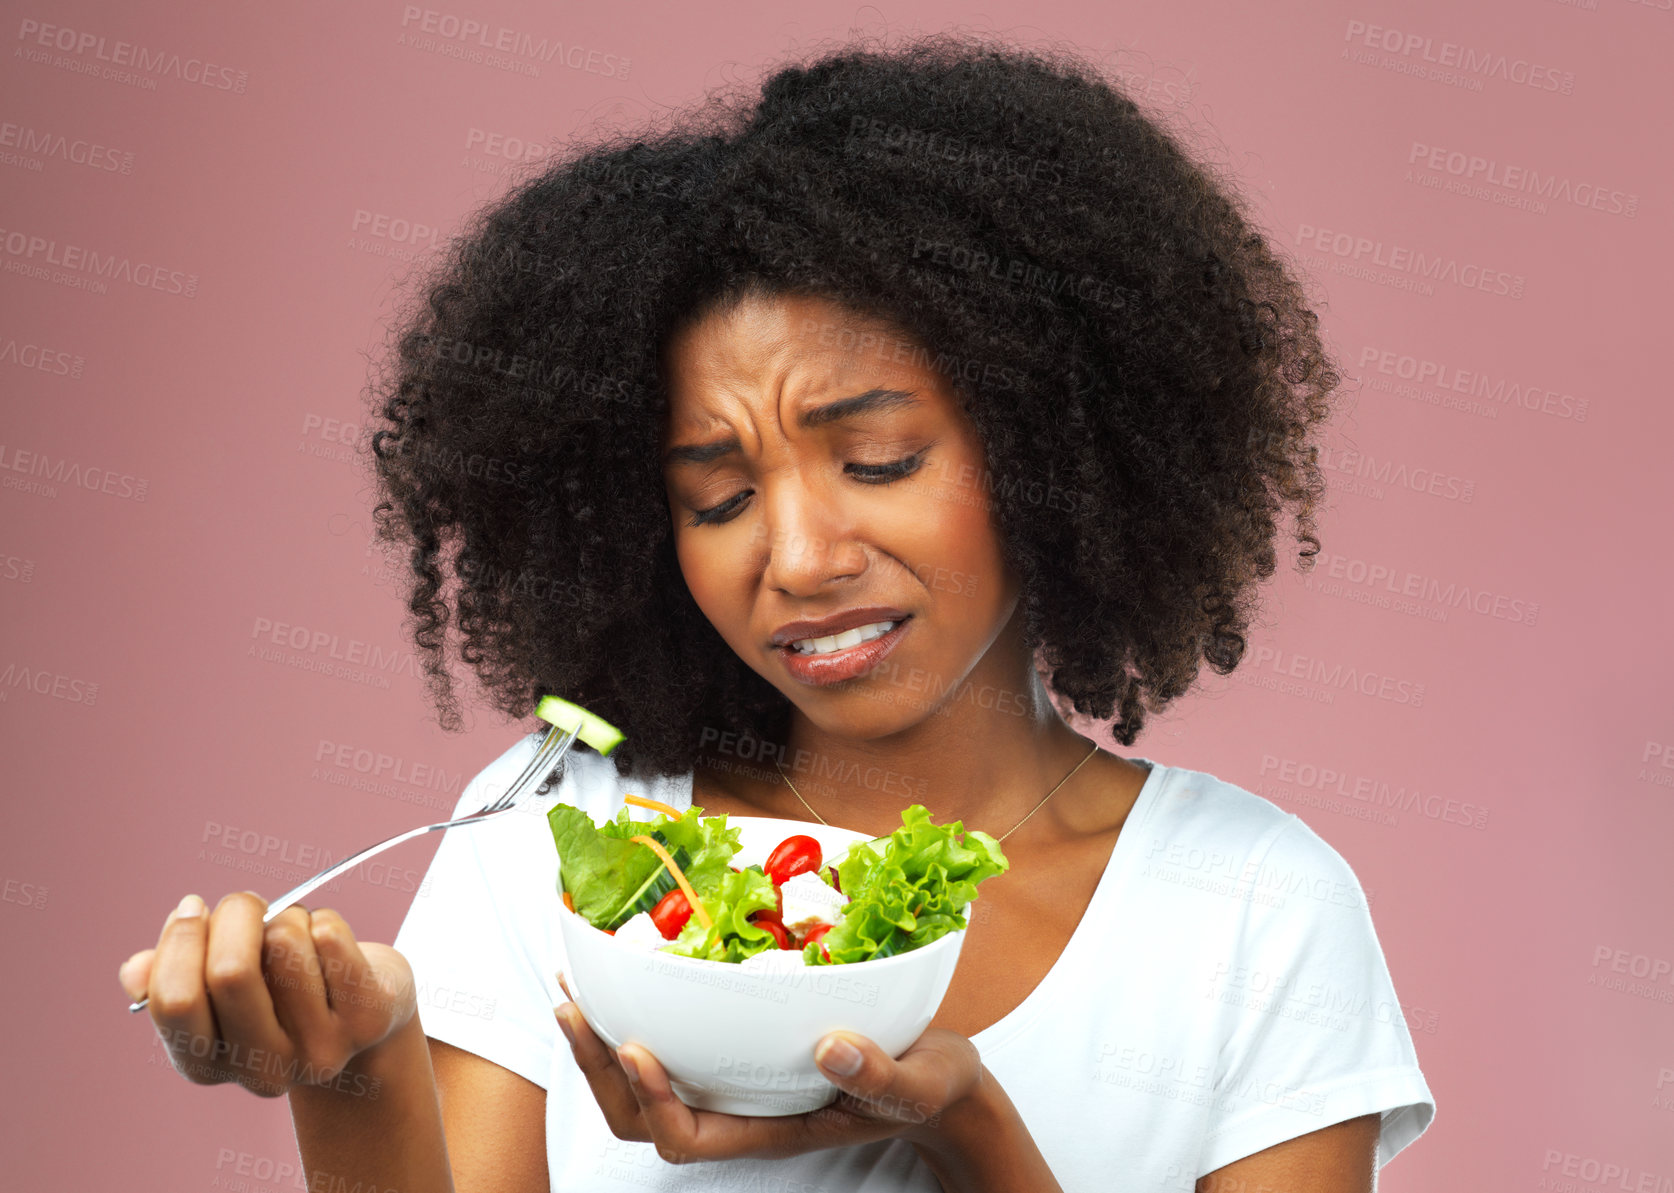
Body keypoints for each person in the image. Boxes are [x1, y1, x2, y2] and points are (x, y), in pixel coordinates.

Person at [117, 31, 1435, 1192]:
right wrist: (349, 1074)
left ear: (1046, 444)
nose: (795, 557)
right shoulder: (556, 835)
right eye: (718, 495)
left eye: (877, 462)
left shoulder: (1254, 910)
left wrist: (971, 1136)